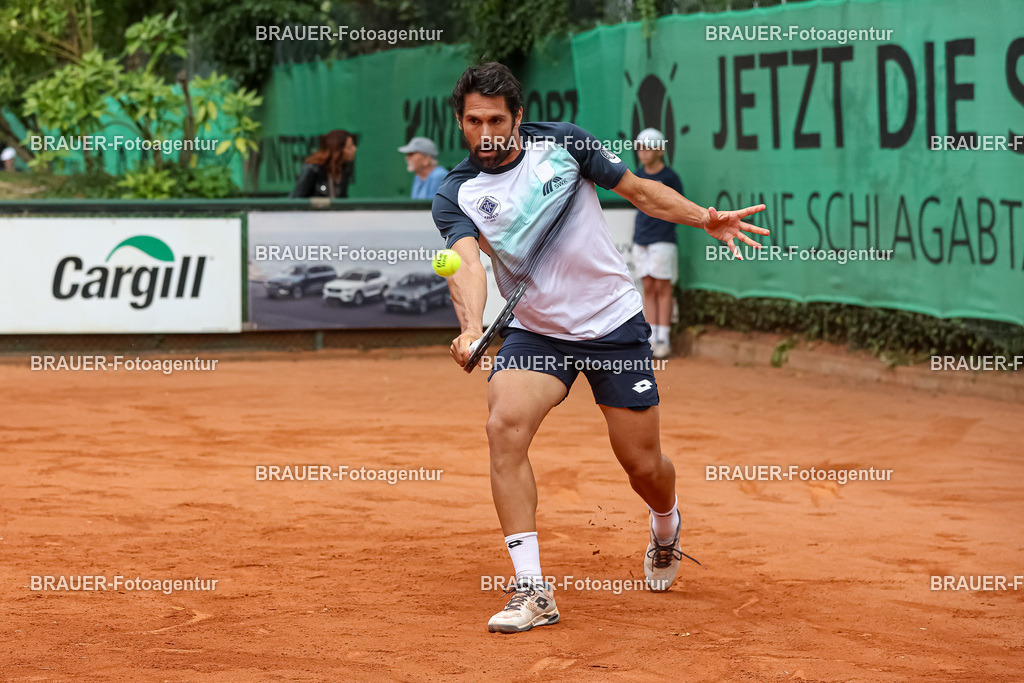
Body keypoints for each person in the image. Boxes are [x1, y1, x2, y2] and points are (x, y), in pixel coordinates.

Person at [431, 62, 767, 633]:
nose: (485, 133)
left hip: (613, 322)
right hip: (538, 332)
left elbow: (639, 192)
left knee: (641, 465)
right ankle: (532, 589)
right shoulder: (457, 192)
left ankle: (666, 521)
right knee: (503, 425)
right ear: (460, 122)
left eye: (496, 120)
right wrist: (469, 328)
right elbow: (465, 265)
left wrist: (704, 218)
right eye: (472, 121)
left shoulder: (564, 145)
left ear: (518, 118)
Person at [631, 128, 683, 359]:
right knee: (648, 288)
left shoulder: (671, 178)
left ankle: (664, 339)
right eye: (640, 147)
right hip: (641, 239)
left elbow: (680, 209)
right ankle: (651, 339)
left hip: (663, 239)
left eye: (648, 147)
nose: (643, 152)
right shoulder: (637, 174)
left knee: (663, 289)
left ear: (660, 150)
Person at [289, 129, 357, 198]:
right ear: (338, 150)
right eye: (349, 147)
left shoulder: (345, 169)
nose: (354, 149)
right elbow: (297, 199)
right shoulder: (312, 169)